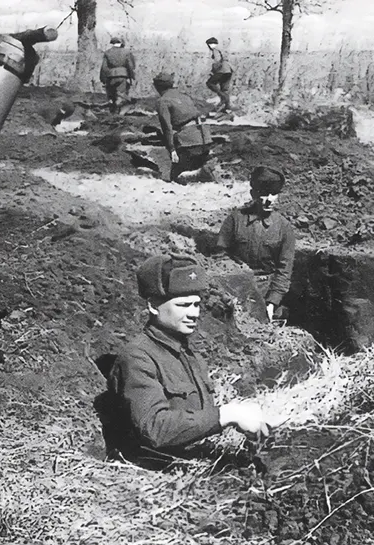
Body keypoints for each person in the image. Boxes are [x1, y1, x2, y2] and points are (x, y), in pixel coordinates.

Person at [104, 254, 271, 468]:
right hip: (159, 479)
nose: (194, 313)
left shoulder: (189, 354)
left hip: (196, 465)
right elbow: (155, 429)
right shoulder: (138, 357)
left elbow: (199, 418)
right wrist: (226, 415)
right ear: (154, 306)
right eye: (183, 305)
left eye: (196, 304)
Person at [216, 166, 296, 322]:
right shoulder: (235, 219)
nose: (270, 199)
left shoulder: (284, 227)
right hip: (235, 287)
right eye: (264, 194)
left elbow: (284, 271)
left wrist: (272, 303)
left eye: (274, 195)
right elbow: (220, 255)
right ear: (253, 194)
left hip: (265, 292)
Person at [153, 71, 214, 184]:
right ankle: (200, 172)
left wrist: (171, 149)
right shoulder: (185, 97)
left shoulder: (163, 101)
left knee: (175, 178)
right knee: (195, 171)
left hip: (188, 142)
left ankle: (199, 173)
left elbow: (167, 128)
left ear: (156, 86)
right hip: (205, 138)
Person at [99, 37, 136, 115]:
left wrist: (103, 78)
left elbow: (104, 67)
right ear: (121, 43)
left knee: (111, 95)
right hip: (122, 76)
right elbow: (130, 66)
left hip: (110, 76)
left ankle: (112, 111)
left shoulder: (107, 53)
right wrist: (132, 76)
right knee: (121, 94)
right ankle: (118, 113)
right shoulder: (126, 52)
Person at [205, 37, 233, 114]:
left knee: (210, 83)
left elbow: (217, 60)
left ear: (210, 45)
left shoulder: (215, 50)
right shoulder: (222, 50)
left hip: (222, 70)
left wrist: (213, 71)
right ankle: (227, 107)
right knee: (224, 89)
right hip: (229, 70)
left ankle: (223, 97)